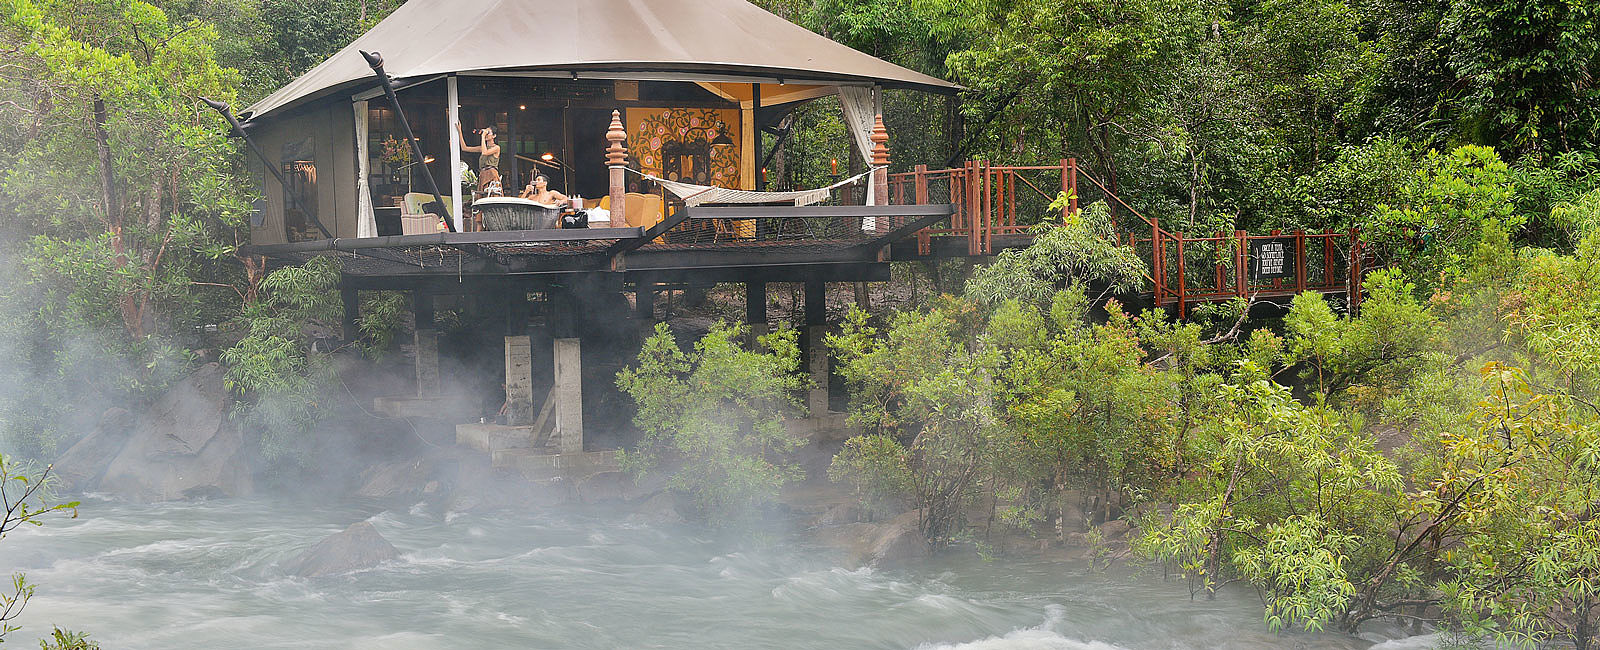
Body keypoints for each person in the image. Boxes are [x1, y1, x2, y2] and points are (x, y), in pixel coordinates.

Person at [456, 123, 500, 192]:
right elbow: (464, 148)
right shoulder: (482, 148)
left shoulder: (496, 148)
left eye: (488, 133)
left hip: (491, 174)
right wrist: (460, 132)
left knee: (491, 194)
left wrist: (483, 136)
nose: (486, 134)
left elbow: (485, 153)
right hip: (483, 174)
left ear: (494, 136)